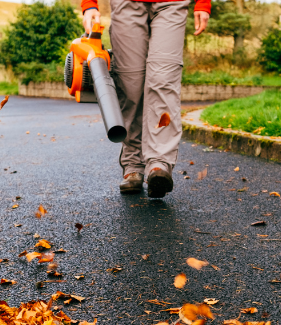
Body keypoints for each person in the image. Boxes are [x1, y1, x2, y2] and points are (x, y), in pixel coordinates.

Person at [81, 0, 209, 198]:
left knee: (163, 79)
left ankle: (159, 163)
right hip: (126, 3)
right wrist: (89, 4)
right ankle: (133, 163)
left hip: (172, 3)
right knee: (130, 82)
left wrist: (203, 3)